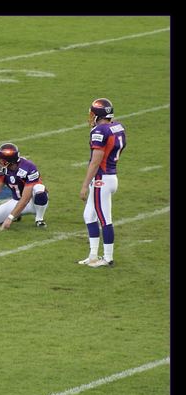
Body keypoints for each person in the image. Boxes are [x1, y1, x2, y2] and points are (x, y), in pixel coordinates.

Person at [78, 98, 126, 268]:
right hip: (110, 176)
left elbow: (96, 161)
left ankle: (108, 257)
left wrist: (85, 184)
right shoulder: (118, 126)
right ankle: (92, 255)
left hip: (102, 179)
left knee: (105, 219)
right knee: (89, 215)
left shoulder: (99, 131)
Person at [0, 142, 49, 229]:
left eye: (1, 159)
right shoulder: (2, 169)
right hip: (16, 201)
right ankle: (18, 214)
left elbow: (25, 199)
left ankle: (39, 219)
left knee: (39, 189)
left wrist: (10, 218)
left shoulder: (29, 167)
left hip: (33, 202)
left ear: (8, 161)